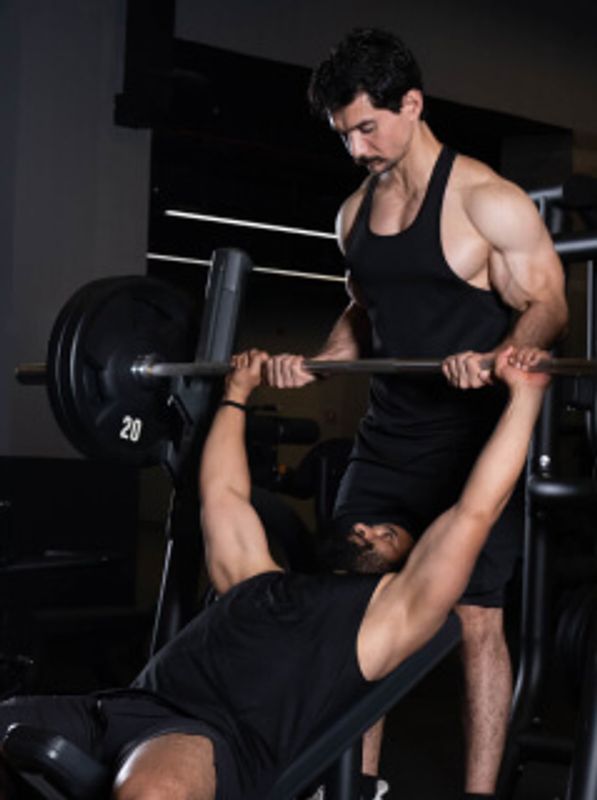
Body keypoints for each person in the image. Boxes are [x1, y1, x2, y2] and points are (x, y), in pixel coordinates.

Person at [0, 348, 548, 800]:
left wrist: (525, 397)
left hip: (201, 738)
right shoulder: (256, 577)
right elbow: (224, 494)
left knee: (150, 795)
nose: (368, 532)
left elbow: (475, 510)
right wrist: (238, 393)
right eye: (367, 527)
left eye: (388, 537)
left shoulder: (388, 616)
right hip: (117, 706)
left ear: (411, 562)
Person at [265, 27, 568, 800]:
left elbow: (546, 302)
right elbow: (363, 309)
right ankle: (358, 786)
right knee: (356, 604)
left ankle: (477, 794)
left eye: (367, 127)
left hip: (472, 444)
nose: (357, 148)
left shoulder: (484, 200)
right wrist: (327, 357)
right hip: (388, 438)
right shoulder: (351, 216)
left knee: (473, 619)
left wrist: (506, 355)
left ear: (411, 103)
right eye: (344, 134)